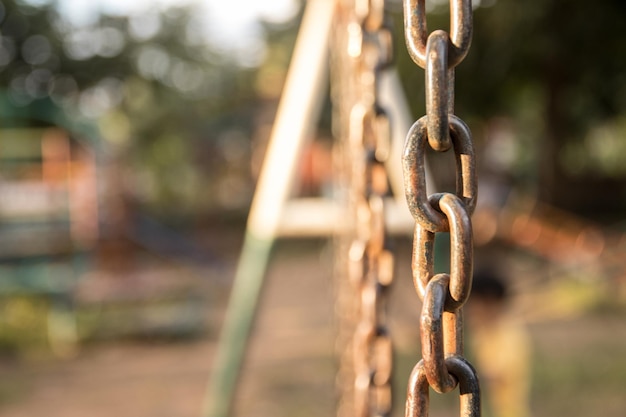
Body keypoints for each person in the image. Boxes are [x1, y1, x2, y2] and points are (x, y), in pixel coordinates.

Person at [466, 270, 533, 417]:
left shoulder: (510, 333)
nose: (470, 311)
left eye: (474, 304)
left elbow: (499, 374)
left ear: (489, 301)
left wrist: (462, 374)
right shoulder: (483, 331)